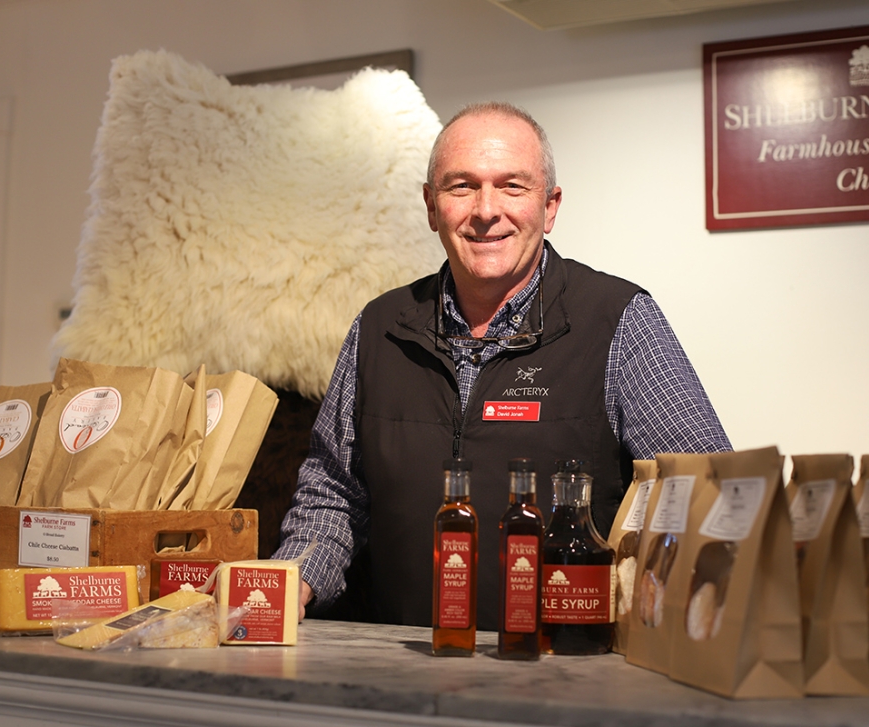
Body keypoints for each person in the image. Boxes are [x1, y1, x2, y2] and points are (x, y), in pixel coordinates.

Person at [273, 102, 731, 630]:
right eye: (461, 186)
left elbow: (699, 494)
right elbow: (333, 493)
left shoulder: (618, 321)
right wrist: (293, 581)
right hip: (402, 667)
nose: (486, 209)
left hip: (568, 673)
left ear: (550, 206)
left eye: (513, 186)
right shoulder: (378, 329)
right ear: (430, 205)